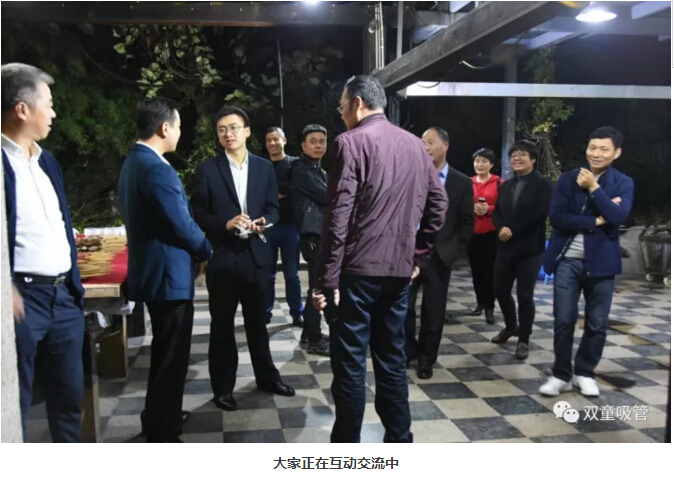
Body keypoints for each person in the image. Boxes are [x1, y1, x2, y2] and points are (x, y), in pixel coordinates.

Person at [313, 75, 448, 443]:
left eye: (342, 107)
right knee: (391, 361)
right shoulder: (415, 145)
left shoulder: (349, 142)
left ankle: (346, 451)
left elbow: (338, 217)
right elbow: (439, 204)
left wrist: (327, 280)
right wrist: (418, 254)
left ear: (357, 104)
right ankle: (400, 441)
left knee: (350, 366)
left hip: (356, 274)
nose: (341, 115)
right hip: (399, 272)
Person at [118, 97, 213, 442]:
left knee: (164, 353)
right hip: (168, 277)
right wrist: (205, 249)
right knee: (172, 358)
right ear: (164, 128)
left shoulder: (134, 162)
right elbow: (181, 224)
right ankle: (164, 431)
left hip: (155, 273)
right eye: (178, 126)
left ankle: (160, 415)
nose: (180, 133)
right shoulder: (157, 168)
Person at [190, 105, 295, 412]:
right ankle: (223, 388)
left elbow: (274, 209)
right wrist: (225, 224)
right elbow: (197, 213)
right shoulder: (207, 170)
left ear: (247, 131)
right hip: (223, 258)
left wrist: (264, 221)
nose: (228, 134)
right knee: (222, 326)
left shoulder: (264, 168)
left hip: (256, 256)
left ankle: (267, 377)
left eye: (234, 127)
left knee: (257, 323)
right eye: (222, 129)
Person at [2, 63, 84, 442]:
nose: (53, 112)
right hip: (22, 300)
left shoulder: (46, 160)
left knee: (68, 397)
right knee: (12, 402)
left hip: (63, 297)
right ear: (22, 109)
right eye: (48, 104)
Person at [540, 127, 634, 397]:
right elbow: (558, 218)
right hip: (567, 259)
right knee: (563, 319)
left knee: (597, 323)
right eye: (592, 147)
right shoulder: (568, 179)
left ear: (616, 153)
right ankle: (561, 374)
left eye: (604, 149)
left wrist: (594, 188)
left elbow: (618, 216)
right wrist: (595, 220)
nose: (596, 153)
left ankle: (584, 372)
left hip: (602, 263)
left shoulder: (623, 182)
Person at [405, 127, 473, 379]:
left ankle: (426, 359)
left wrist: (452, 251)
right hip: (408, 255)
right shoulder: (409, 175)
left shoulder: (461, 182)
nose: (425, 147)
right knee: (403, 307)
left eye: (430, 142)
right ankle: (407, 351)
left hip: (439, 256)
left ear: (445, 145)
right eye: (422, 142)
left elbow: (466, 222)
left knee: (433, 312)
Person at [491, 140, 553, 360]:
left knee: (525, 296)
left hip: (529, 249)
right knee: (500, 290)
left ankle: (524, 339)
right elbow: (497, 212)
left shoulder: (542, 184)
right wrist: (501, 227)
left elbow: (540, 215)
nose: (516, 158)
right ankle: (511, 326)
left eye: (522, 154)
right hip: (505, 248)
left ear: (533, 159)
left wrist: (513, 231)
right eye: (513, 155)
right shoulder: (507, 184)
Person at [290, 124, 330, 356]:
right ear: (303, 146)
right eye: (312, 141)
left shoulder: (319, 172)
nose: (318, 145)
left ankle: (309, 332)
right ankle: (315, 339)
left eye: (321, 141)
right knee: (319, 286)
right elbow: (329, 196)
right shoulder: (302, 170)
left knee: (317, 284)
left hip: (319, 235)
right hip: (312, 236)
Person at [264, 127, 303, 327]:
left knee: (292, 274)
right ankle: (265, 312)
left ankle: (297, 312)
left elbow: (297, 187)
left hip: (290, 226)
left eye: (275, 139)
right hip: (268, 227)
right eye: (268, 140)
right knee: (267, 274)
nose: (272, 143)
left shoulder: (294, 163)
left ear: (284, 140)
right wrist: (279, 194)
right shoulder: (262, 166)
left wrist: (276, 193)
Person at [467, 148, 503, 324]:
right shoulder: (468, 183)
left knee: (490, 271)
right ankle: (480, 302)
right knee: (476, 270)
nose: (479, 164)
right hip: (472, 233)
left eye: (484, 161)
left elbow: (505, 207)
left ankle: (490, 306)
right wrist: (471, 208)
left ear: (491, 164)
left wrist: (489, 209)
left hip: (492, 233)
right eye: (477, 161)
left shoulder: (499, 183)